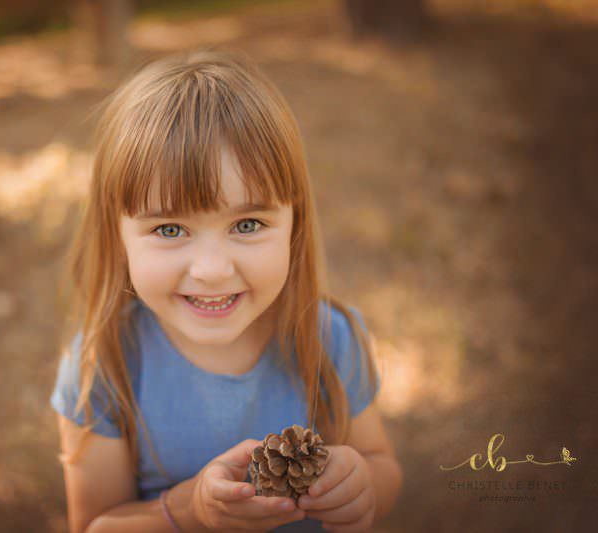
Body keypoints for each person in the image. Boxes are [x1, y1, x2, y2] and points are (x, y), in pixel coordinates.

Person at [50, 50, 402, 533]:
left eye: (248, 223)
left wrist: (363, 485)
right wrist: (188, 511)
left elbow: (381, 462)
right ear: (118, 237)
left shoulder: (330, 337)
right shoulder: (105, 366)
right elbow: (92, 526)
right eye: (170, 229)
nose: (213, 270)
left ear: (294, 222)